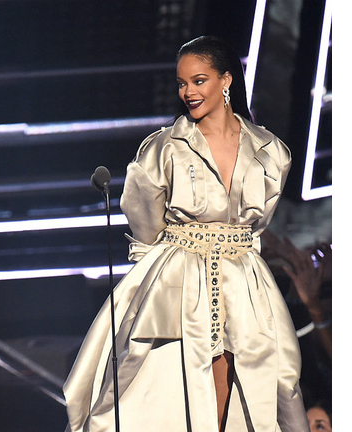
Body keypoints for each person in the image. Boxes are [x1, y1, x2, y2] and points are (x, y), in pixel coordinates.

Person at [63, 36, 309, 431]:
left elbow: (257, 224)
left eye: (198, 81)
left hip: (244, 275)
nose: (188, 92)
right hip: (176, 276)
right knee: (158, 372)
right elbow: (144, 221)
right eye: (182, 84)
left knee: (259, 369)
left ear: (226, 80)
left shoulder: (271, 151)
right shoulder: (164, 148)